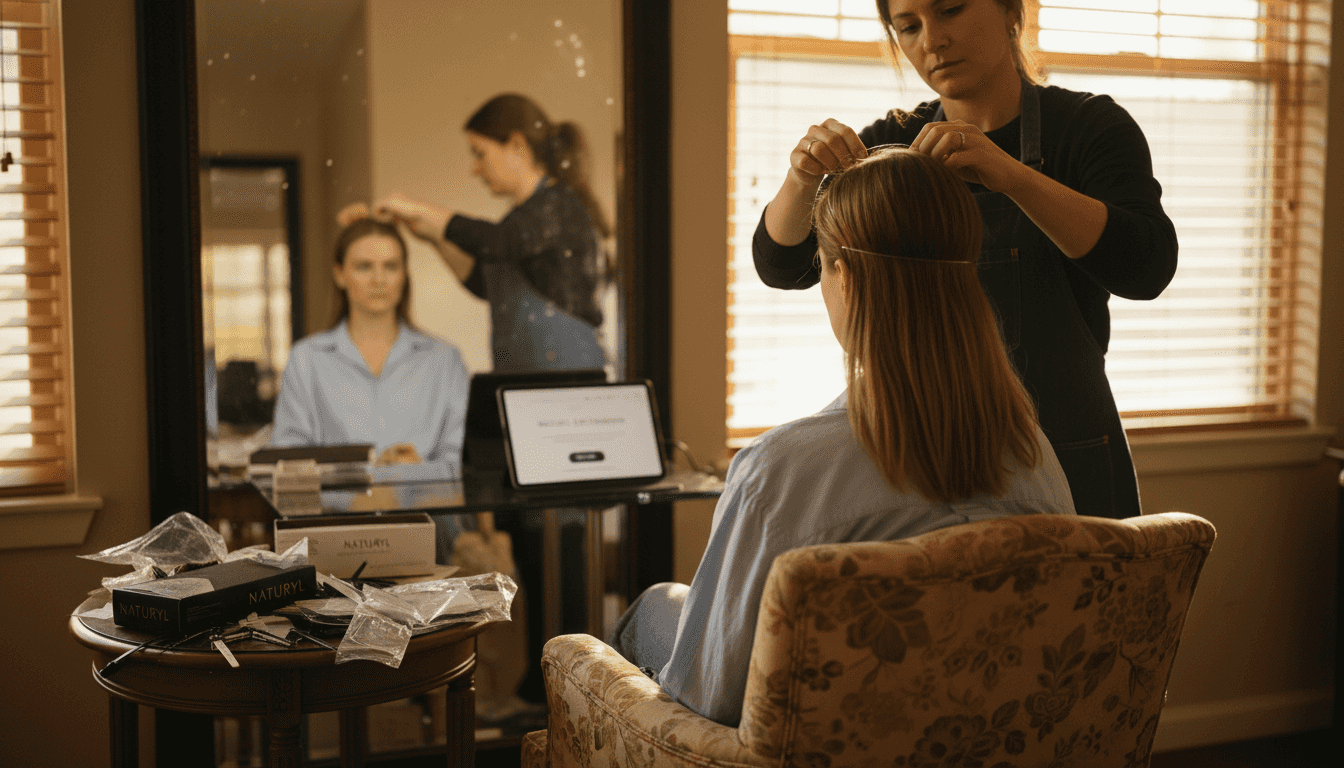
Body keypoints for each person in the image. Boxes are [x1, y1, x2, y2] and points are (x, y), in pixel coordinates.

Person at [611, 147, 1076, 727]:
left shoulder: (780, 472)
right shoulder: (1034, 454)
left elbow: (711, 699)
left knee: (650, 611)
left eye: (823, 266)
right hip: (975, 741)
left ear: (845, 277)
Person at [753, 0, 1178, 520]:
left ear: (1009, 11)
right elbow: (781, 264)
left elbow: (1147, 266)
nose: (931, 41)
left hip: (1065, 448)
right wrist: (801, 181)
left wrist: (1011, 176)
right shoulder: (892, 144)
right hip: (925, 458)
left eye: (950, 10)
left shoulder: (1089, 127)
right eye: (908, 27)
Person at [373, 93, 611, 373]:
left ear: (517, 146)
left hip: (569, 386)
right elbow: (484, 285)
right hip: (527, 383)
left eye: (480, 153)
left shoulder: (558, 205)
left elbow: (498, 242)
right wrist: (434, 237)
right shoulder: (522, 221)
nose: (475, 169)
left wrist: (419, 209)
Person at [271, 216, 470, 472]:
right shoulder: (306, 359)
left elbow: (462, 464)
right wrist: (370, 471)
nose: (379, 279)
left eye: (391, 266)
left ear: (404, 275)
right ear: (340, 275)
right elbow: (289, 462)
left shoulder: (446, 360)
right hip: (337, 512)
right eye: (364, 267)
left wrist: (415, 471)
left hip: (427, 509)